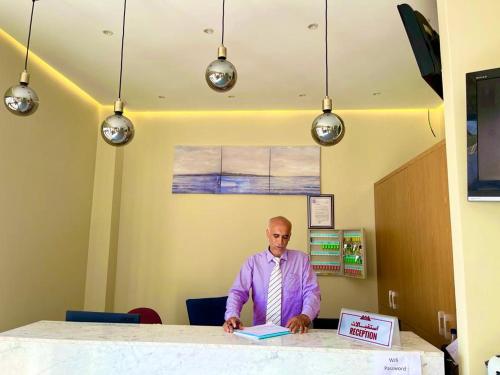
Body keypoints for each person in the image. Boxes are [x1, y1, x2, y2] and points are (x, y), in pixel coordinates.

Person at [223, 216, 321, 334]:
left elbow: (312, 293)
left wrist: (305, 317)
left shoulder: (302, 260)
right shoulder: (253, 262)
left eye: (285, 237)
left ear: (290, 236)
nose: (280, 242)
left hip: (294, 332)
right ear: (267, 233)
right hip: (262, 333)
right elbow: (237, 292)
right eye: (276, 236)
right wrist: (232, 315)